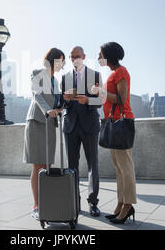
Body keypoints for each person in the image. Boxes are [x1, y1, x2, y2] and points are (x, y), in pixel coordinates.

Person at [92, 42, 137, 224]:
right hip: (113, 123)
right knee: (119, 169)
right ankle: (121, 203)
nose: (98, 57)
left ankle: (128, 205)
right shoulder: (112, 73)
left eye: (100, 54)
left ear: (108, 55)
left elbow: (121, 98)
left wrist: (101, 92)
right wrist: (100, 93)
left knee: (126, 169)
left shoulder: (121, 72)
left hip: (121, 122)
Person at [23, 48, 65, 220]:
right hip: (37, 122)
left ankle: (45, 203)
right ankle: (36, 205)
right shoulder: (38, 72)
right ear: (53, 60)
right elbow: (37, 95)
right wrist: (48, 110)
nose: (63, 64)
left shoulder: (56, 81)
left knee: (47, 165)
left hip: (49, 124)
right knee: (37, 165)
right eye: (61, 60)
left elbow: (57, 101)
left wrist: (61, 106)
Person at [61, 46, 103, 217]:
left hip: (89, 125)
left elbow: (100, 101)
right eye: (72, 57)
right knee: (72, 166)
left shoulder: (95, 75)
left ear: (84, 56)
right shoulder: (64, 77)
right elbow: (62, 104)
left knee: (93, 164)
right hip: (70, 126)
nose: (74, 59)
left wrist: (87, 100)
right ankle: (74, 201)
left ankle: (93, 202)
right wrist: (64, 100)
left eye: (77, 56)